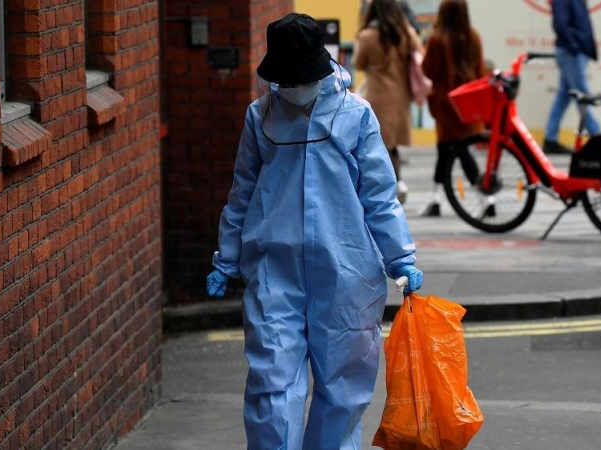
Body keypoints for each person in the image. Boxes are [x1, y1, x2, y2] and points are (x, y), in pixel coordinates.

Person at [205, 13, 424, 450]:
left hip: (346, 270)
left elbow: (378, 195)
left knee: (342, 387)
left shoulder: (355, 115)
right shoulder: (261, 115)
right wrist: (226, 256)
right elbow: (242, 191)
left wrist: (400, 257)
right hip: (273, 266)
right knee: (272, 381)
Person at [420, 0, 487, 216]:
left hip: (446, 104)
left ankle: (485, 197)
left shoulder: (438, 39)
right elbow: (480, 70)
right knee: (449, 150)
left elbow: (429, 71)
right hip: (468, 102)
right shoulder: (474, 37)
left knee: (456, 149)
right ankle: (436, 197)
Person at [355, 0, 424, 205]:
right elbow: (420, 54)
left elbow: (359, 63)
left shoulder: (367, 36)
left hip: (377, 97)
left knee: (378, 144)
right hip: (401, 96)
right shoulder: (405, 34)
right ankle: (398, 182)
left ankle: (388, 184)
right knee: (390, 144)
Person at [543, 0, 600, 155]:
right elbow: (561, 24)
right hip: (571, 53)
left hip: (574, 51)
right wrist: (575, 47)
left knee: (564, 96)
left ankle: (550, 137)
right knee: (582, 94)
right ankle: (597, 136)